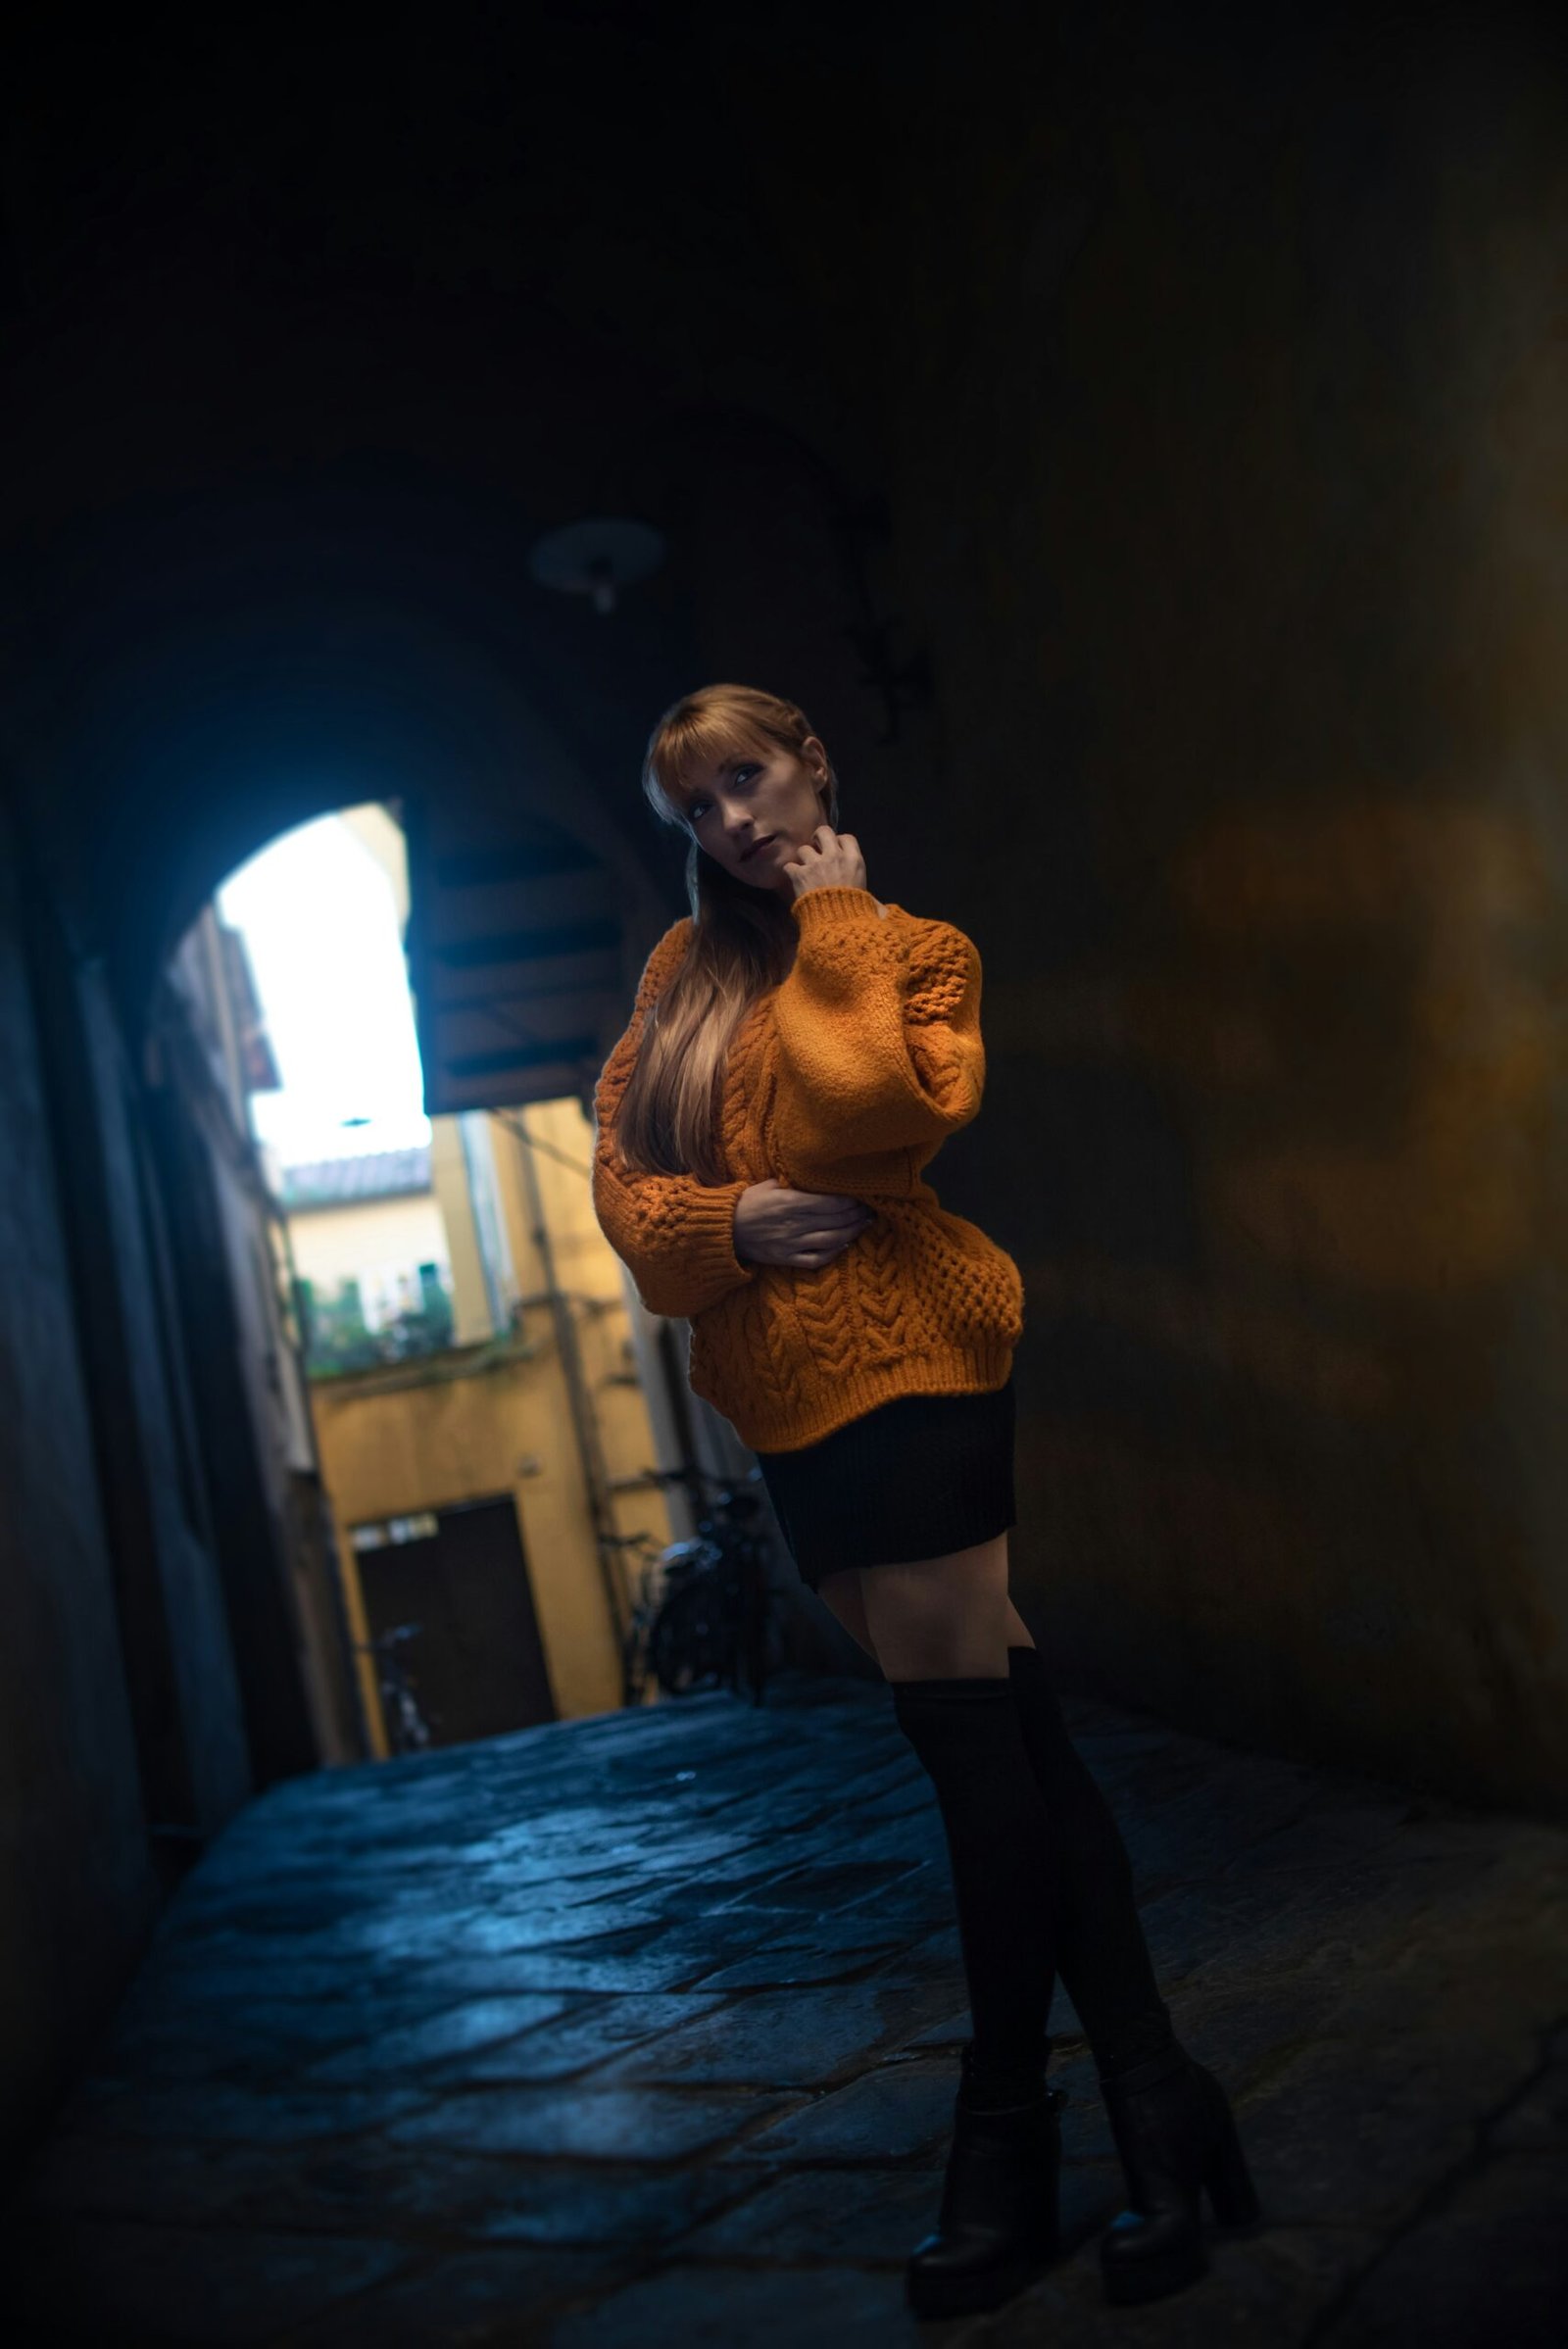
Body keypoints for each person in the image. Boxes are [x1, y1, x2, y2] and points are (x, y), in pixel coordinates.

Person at [591, 683, 1260, 2317]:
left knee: (972, 1770)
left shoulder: (919, 950)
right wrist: (732, 1224)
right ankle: (1163, 2104)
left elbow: (870, 1115)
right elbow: (622, 1182)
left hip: (923, 1358)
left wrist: (835, 933)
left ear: (811, 762)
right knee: (1012, 1747)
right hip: (785, 1406)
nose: (731, 823)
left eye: (747, 780)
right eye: (698, 807)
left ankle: (1004, 2139)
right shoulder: (676, 976)